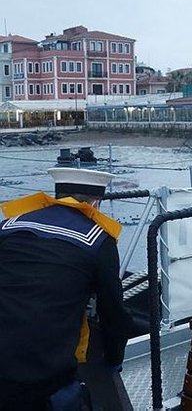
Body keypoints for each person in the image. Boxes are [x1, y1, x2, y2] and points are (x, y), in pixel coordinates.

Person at [0, 168, 133, 410]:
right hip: (43, 376)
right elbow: (112, 312)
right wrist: (114, 359)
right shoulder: (98, 240)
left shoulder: (9, 225)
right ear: (96, 203)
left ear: (57, 195)